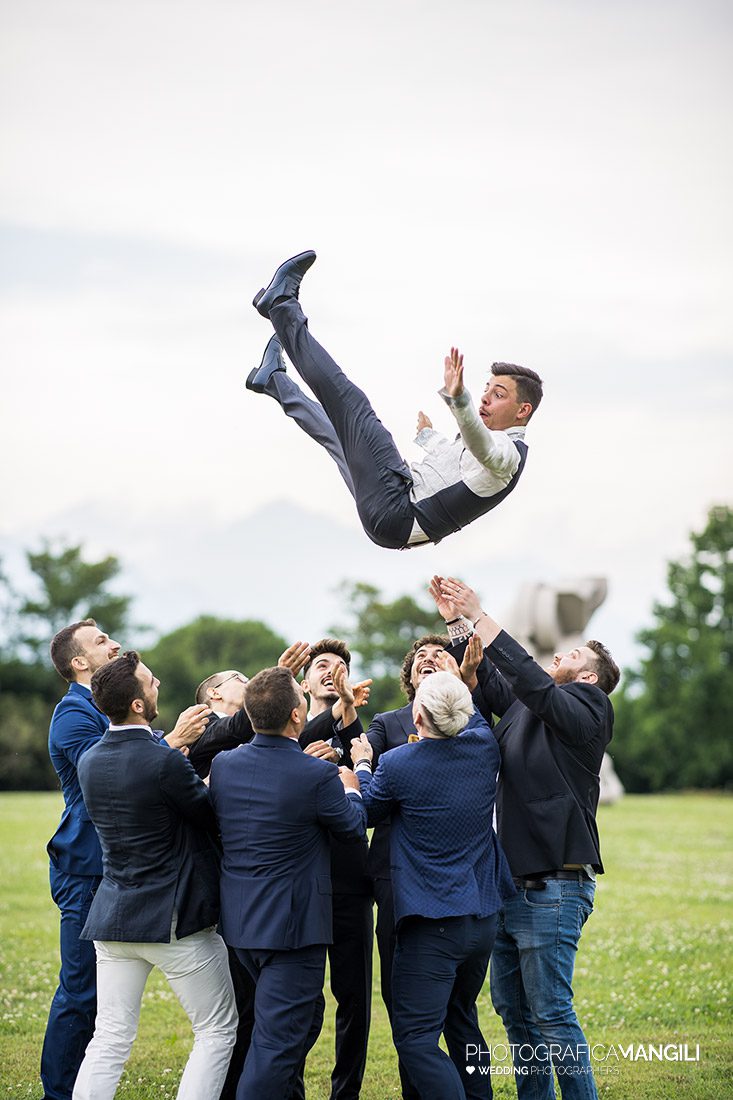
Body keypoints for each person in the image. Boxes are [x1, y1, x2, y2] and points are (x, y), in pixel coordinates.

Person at [437, 576, 620, 1100]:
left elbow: (528, 679)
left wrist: (481, 615)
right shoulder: (529, 708)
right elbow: (497, 684)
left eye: (574, 652)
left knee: (552, 1018)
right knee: (517, 1021)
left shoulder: (589, 708)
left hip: (553, 891)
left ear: (587, 675)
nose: (561, 652)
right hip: (509, 888)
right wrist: (456, 623)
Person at [248, 251, 543, 549]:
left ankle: (281, 304)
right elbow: (457, 467)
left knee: (352, 406)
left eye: (498, 394)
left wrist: (460, 401)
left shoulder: (507, 454)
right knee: (338, 435)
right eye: (486, 389)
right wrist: (429, 437)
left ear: (523, 411)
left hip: (397, 509)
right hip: (389, 525)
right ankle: (274, 380)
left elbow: (484, 449)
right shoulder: (487, 449)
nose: (485, 399)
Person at [41, 619, 209, 1100]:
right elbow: (112, 772)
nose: (112, 643)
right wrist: (172, 742)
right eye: (100, 642)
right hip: (87, 868)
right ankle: (58, 1092)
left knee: (104, 1003)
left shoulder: (109, 706)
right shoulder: (72, 715)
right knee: (79, 993)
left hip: (124, 869)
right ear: (78, 663)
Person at [73, 651, 238, 1100]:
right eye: (150, 680)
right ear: (139, 705)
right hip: (173, 918)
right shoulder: (163, 761)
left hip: (112, 918)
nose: (158, 681)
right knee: (217, 1030)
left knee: (109, 1038)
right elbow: (209, 816)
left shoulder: (89, 760)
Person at [351, 671, 515, 1100]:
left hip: (431, 925)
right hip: (482, 917)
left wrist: (362, 767)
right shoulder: (484, 747)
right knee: (461, 1019)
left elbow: (366, 811)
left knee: (416, 1039)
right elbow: (476, 715)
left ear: (417, 717)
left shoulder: (398, 764)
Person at [209, 666, 368, 1100]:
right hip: (292, 930)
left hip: (241, 924)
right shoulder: (315, 775)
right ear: (298, 717)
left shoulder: (224, 765)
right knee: (278, 1044)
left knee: (297, 1019)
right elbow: (353, 825)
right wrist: (357, 781)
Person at [299, 640, 373, 1100]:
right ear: (304, 682)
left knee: (355, 1001)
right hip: (301, 886)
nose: (333, 671)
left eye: (342, 667)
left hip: (350, 883)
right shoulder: (289, 731)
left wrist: (347, 712)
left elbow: (370, 776)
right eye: (323, 666)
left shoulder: (359, 736)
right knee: (303, 1005)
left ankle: (345, 1094)